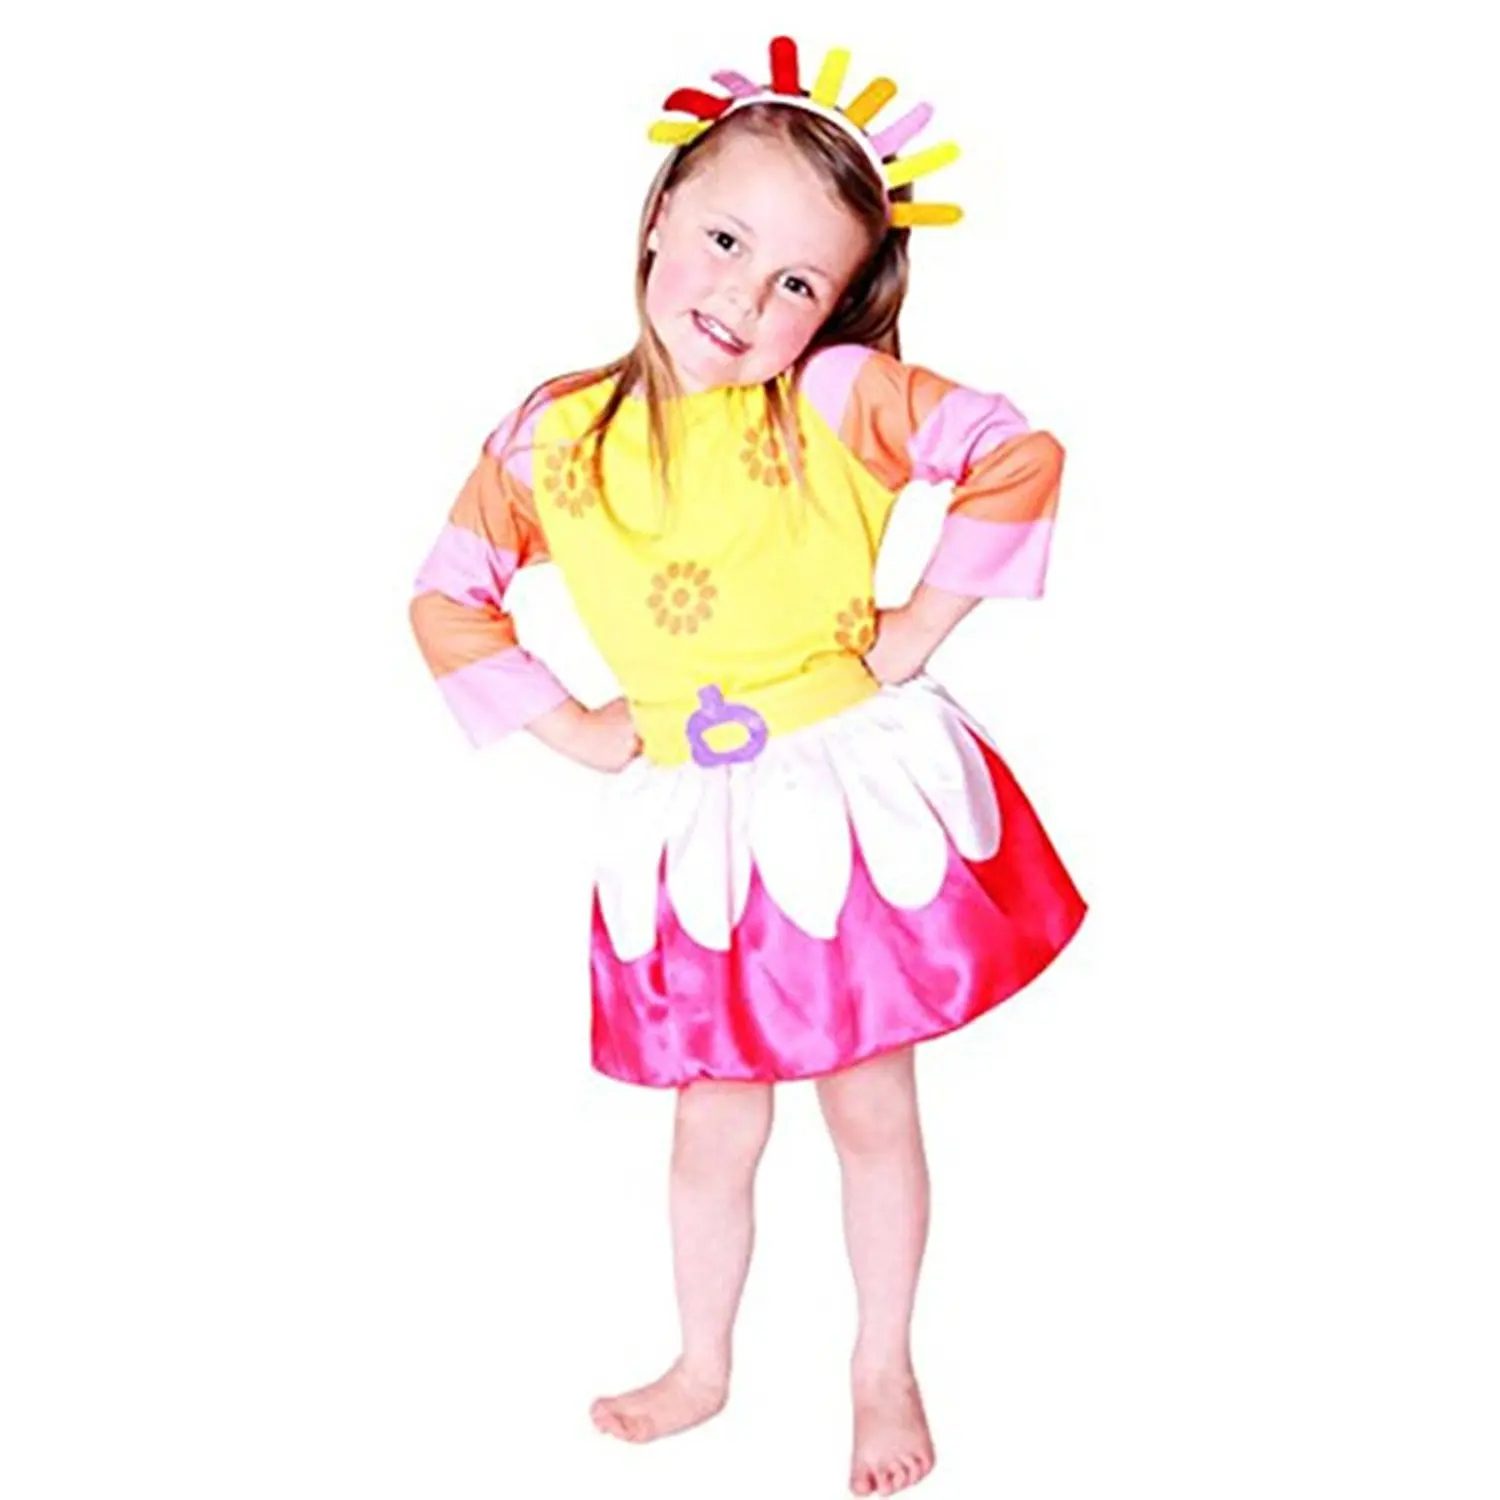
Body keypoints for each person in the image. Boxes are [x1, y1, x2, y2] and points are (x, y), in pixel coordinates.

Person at [409, 36, 1087, 1497]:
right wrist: (576, 725)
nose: (746, 298)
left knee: (869, 1103)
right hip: (695, 824)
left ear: (834, 306)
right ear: (662, 213)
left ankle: (881, 1361)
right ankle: (702, 1362)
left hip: (841, 797)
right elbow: (448, 594)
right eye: (726, 241)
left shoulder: (835, 397)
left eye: (796, 282)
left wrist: (916, 628)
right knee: (711, 1118)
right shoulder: (552, 438)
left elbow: (1012, 451)